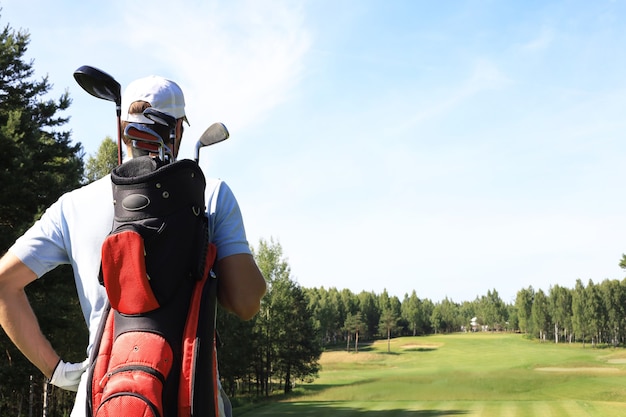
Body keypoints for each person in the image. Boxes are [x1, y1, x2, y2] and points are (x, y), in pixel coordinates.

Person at [0, 75, 266, 417]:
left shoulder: (73, 206)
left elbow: (4, 284)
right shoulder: (210, 194)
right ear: (178, 132)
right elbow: (245, 302)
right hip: (189, 399)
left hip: (99, 402)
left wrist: (56, 370)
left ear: (123, 128)